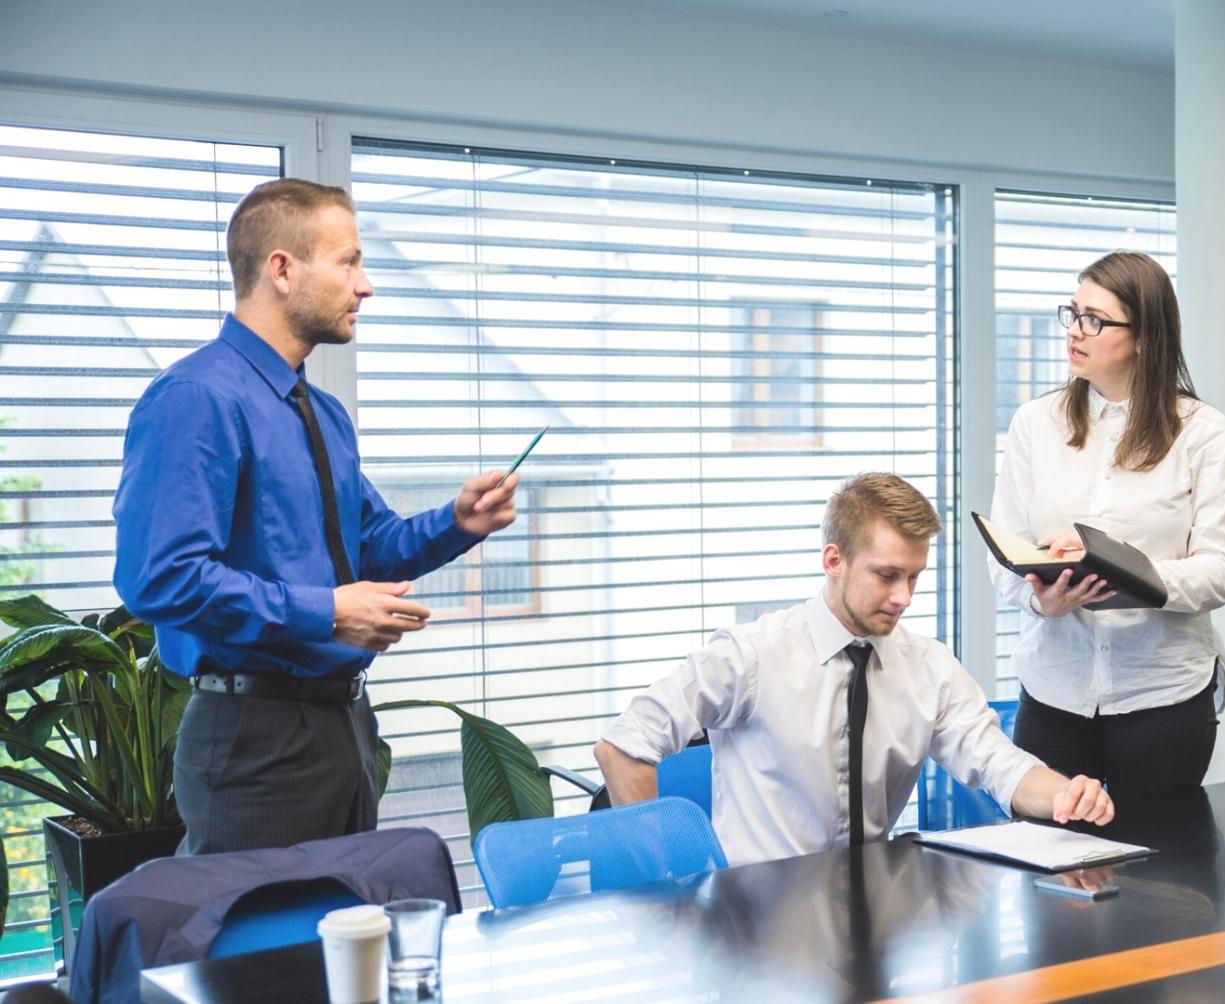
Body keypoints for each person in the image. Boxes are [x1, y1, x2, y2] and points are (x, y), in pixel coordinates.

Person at [113, 178, 521, 854]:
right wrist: (327, 613)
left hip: (343, 727)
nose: (365, 286)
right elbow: (159, 578)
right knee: (263, 955)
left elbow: (367, 547)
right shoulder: (195, 399)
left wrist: (457, 521)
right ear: (282, 268)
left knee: (339, 943)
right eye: (348, 261)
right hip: (253, 738)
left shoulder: (321, 413)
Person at [595, 472, 1113, 867]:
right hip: (757, 921)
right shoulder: (750, 656)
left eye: (913, 577)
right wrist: (669, 881)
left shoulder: (927, 667)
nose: (903, 597)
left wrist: (1064, 793)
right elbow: (622, 748)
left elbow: (1002, 766)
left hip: (873, 914)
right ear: (833, 560)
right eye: (887, 575)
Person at [990, 250, 1225, 797]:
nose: (1075, 332)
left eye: (1096, 320)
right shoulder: (1035, 424)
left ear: (1146, 337)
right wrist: (1043, 599)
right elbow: (1006, 556)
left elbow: (1222, 570)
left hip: (1163, 698)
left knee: (1165, 871)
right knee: (1048, 864)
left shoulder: (1202, 431)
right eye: (1073, 313)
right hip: (1053, 692)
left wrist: (1130, 576)